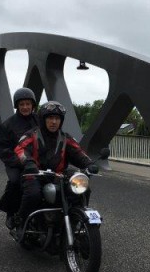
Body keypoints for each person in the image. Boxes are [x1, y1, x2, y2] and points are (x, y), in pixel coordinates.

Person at [13, 101, 97, 239]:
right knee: (33, 194)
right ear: (43, 119)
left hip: (58, 175)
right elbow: (20, 150)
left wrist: (89, 164)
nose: (54, 122)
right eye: (50, 118)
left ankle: (76, 220)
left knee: (82, 188)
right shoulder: (31, 135)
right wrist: (29, 163)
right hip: (35, 174)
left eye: (57, 118)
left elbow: (78, 153)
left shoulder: (66, 138)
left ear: (61, 121)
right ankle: (21, 220)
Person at [0, 87, 40, 229]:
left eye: (28, 104)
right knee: (15, 181)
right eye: (22, 104)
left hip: (37, 161)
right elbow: (3, 149)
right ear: (17, 106)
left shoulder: (40, 120)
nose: (25, 107)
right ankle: (11, 212)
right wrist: (20, 161)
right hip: (16, 162)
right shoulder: (7, 125)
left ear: (33, 105)